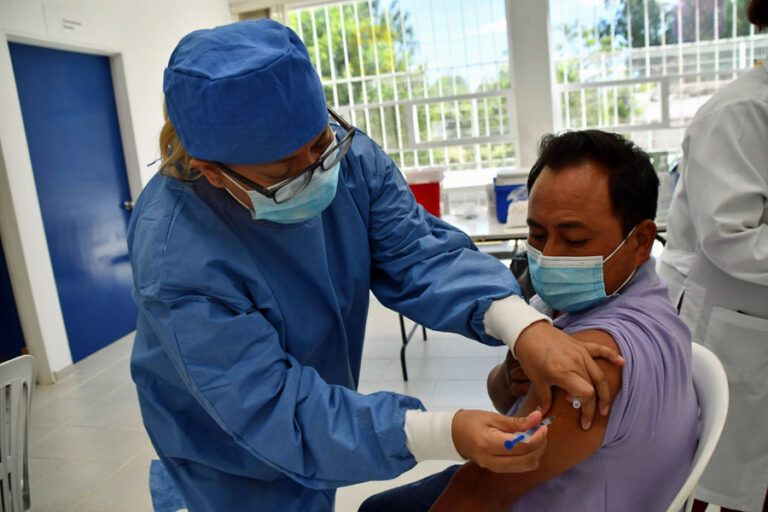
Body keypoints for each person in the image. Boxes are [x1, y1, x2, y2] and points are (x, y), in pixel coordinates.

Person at [127, 20, 624, 511]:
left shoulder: (348, 160)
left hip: (312, 409)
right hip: (226, 454)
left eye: (319, 143)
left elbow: (418, 252)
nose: (315, 171)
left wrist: (522, 326)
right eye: (281, 172)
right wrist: (437, 432)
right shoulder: (177, 258)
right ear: (212, 172)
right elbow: (271, 408)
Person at [360, 130, 698, 512]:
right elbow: (506, 397)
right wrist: (509, 376)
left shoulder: (599, 357)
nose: (549, 256)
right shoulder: (616, 297)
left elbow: (480, 492)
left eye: (574, 241)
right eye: (537, 234)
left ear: (640, 241)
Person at [657, 1, 768, 510]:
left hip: (750, 319)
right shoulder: (740, 112)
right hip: (728, 322)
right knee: (708, 474)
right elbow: (730, 237)